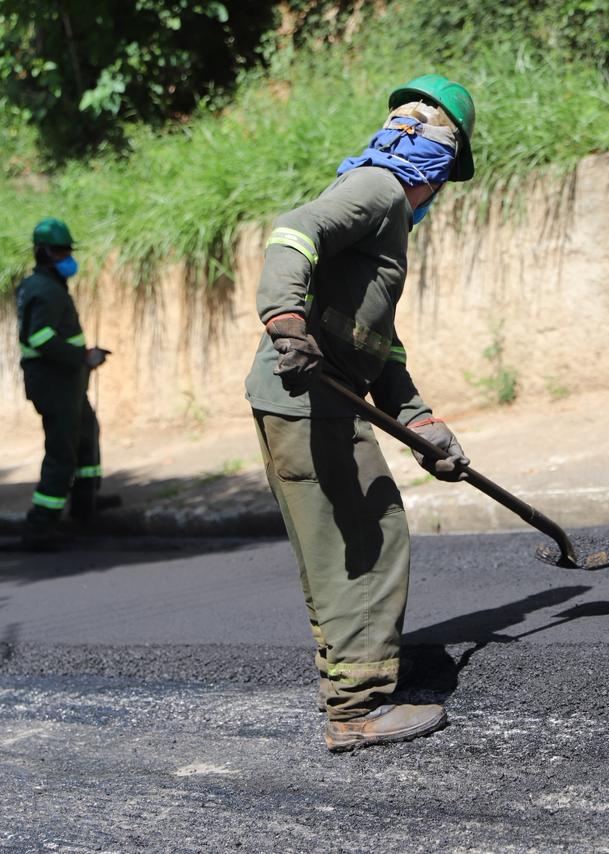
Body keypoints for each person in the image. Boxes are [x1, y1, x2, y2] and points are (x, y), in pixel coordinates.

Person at [246, 74, 476, 751]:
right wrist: (285, 318)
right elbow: (293, 230)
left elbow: (377, 344)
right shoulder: (377, 191)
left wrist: (425, 427)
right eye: (444, 182)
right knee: (371, 539)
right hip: (309, 400)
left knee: (339, 547)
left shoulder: (385, 221)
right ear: (434, 165)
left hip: (311, 397)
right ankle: (358, 708)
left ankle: (347, 683)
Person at [16, 218, 113, 539]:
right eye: (60, 251)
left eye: (68, 250)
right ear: (43, 252)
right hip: (54, 383)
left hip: (66, 381)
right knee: (62, 450)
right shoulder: (44, 290)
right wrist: (83, 357)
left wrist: (82, 360)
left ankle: (86, 503)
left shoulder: (47, 286)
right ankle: (40, 524)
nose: (67, 257)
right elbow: (39, 338)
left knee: (86, 432)